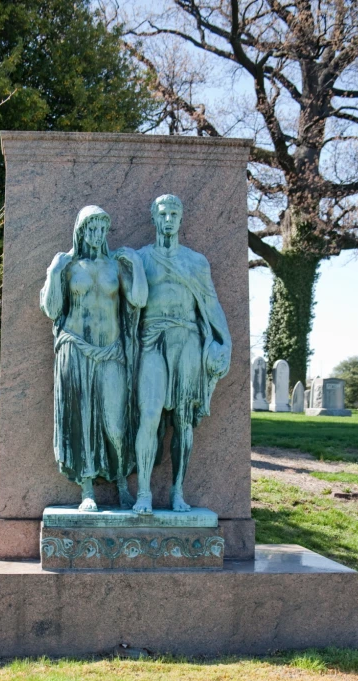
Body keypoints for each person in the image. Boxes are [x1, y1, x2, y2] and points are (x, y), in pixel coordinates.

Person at [40, 205, 147, 511]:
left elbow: (139, 300)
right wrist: (54, 271)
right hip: (75, 349)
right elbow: (51, 309)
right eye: (92, 228)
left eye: (102, 229)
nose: (97, 235)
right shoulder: (69, 265)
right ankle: (87, 488)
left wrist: (136, 264)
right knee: (82, 421)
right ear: (81, 231)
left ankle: (122, 482)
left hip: (111, 351)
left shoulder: (116, 266)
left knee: (115, 423)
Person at [132, 194, 232, 515]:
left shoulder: (196, 262)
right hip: (152, 339)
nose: (169, 218)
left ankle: (177, 491)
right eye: (163, 213)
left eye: (175, 212)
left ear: (182, 217)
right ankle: (144, 493)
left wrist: (224, 342)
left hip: (187, 342)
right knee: (149, 414)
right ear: (154, 217)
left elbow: (211, 304)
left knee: (183, 421)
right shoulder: (141, 258)